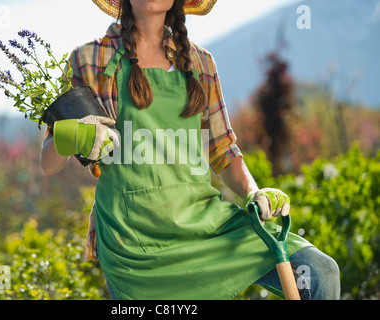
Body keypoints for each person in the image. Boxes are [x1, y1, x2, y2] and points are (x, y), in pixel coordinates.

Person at [40, 0, 340, 300]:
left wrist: (253, 192)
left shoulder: (200, 62)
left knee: (319, 270)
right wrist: (72, 135)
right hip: (133, 242)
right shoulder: (89, 59)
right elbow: (49, 162)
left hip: (206, 224)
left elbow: (223, 150)